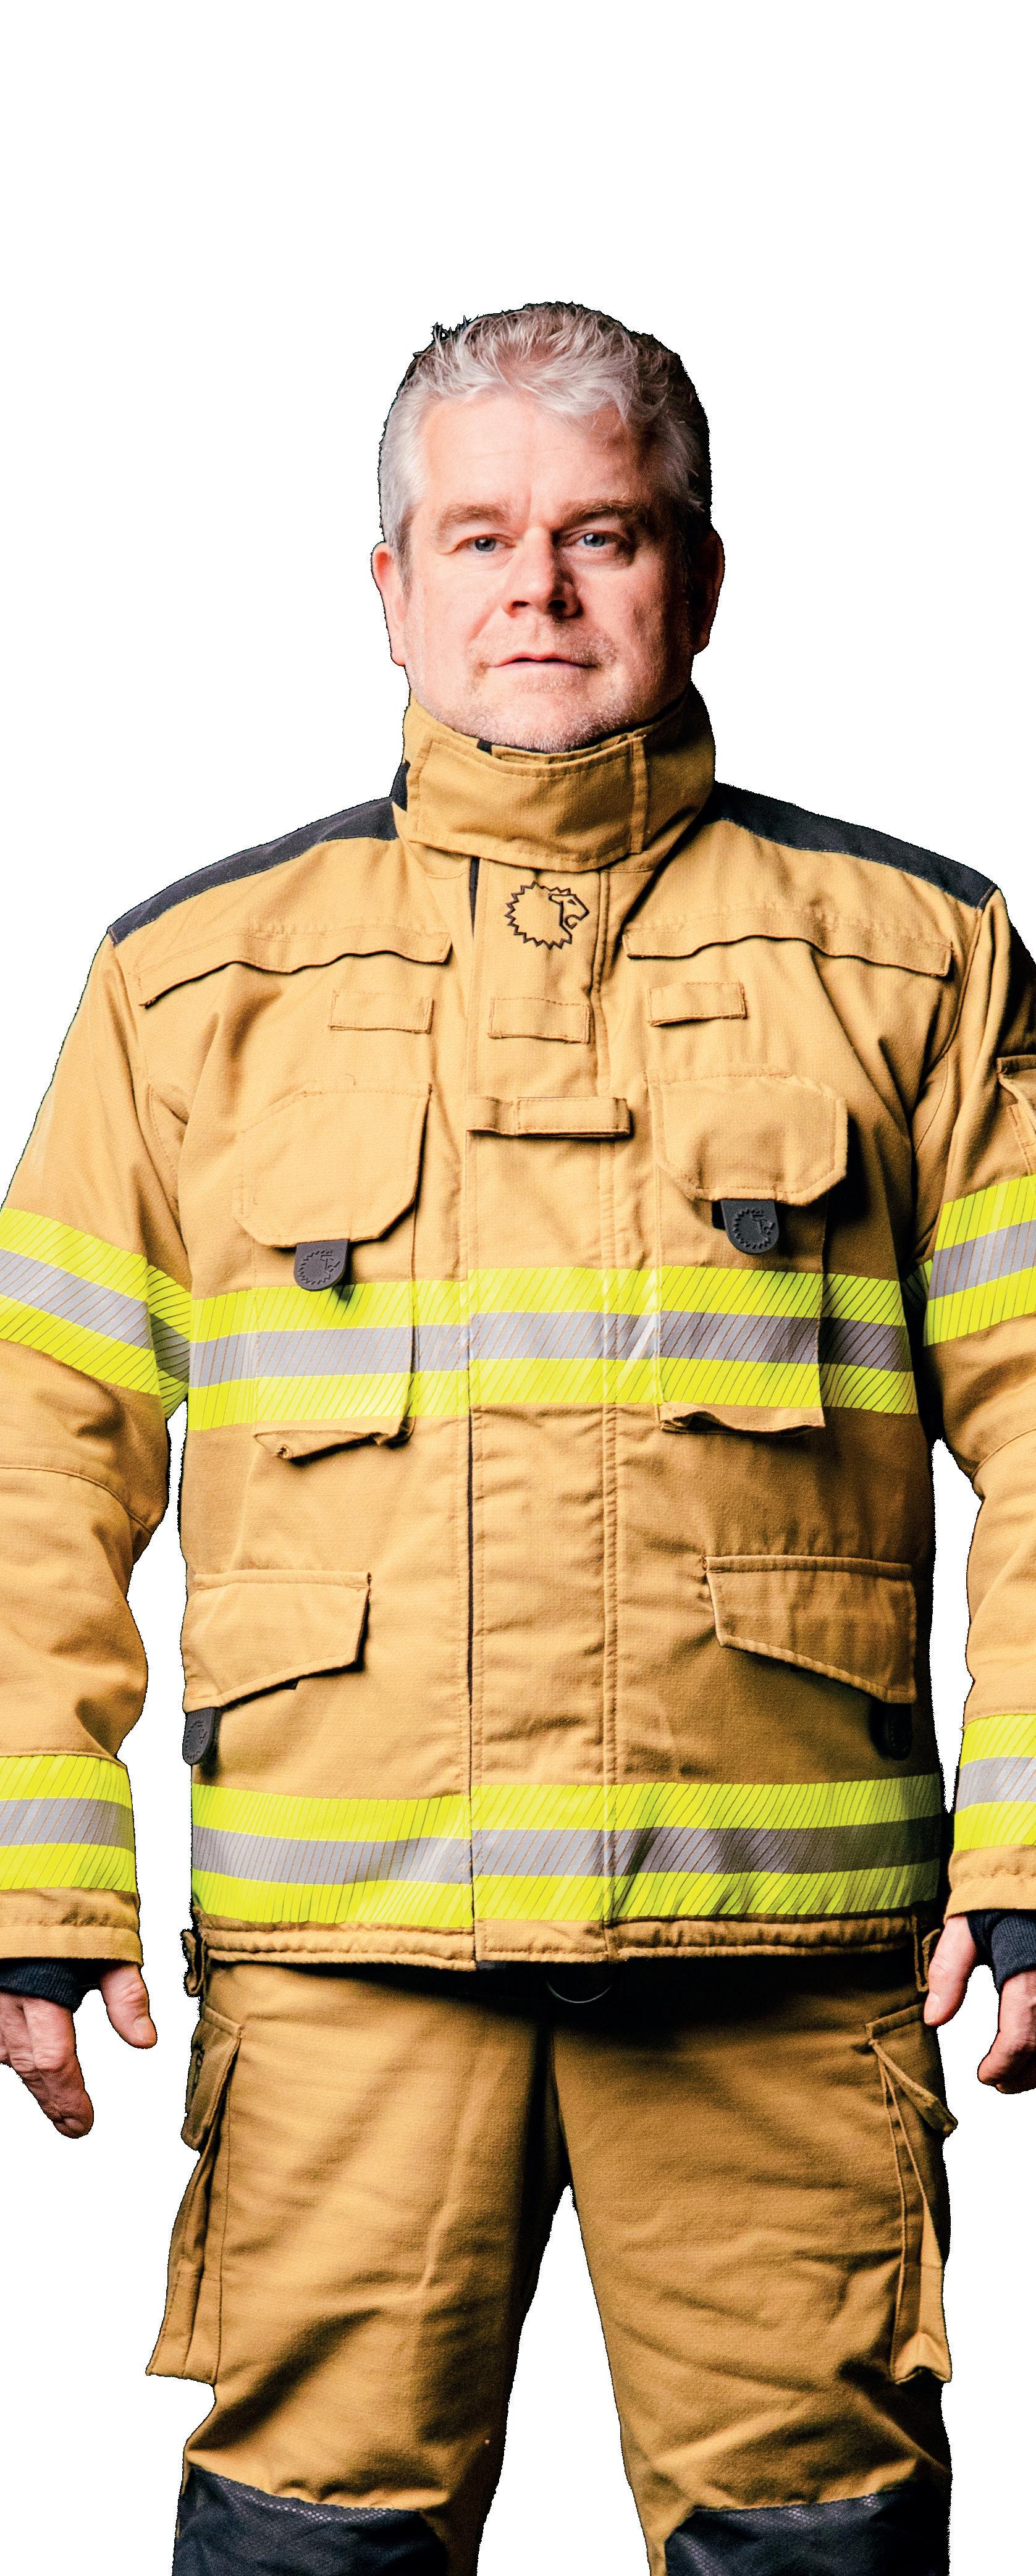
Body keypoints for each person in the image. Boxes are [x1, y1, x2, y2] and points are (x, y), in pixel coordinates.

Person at [0, 301, 1034, 2576]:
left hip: (781, 1964)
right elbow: (35, 1448)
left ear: (699, 575)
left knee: (819, 2544)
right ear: (389, 586)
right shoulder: (194, 984)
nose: (538, 590)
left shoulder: (914, 959)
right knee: (309, 2543)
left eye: (603, 535)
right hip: (345, 1964)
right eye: (479, 537)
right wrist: (36, 1875)